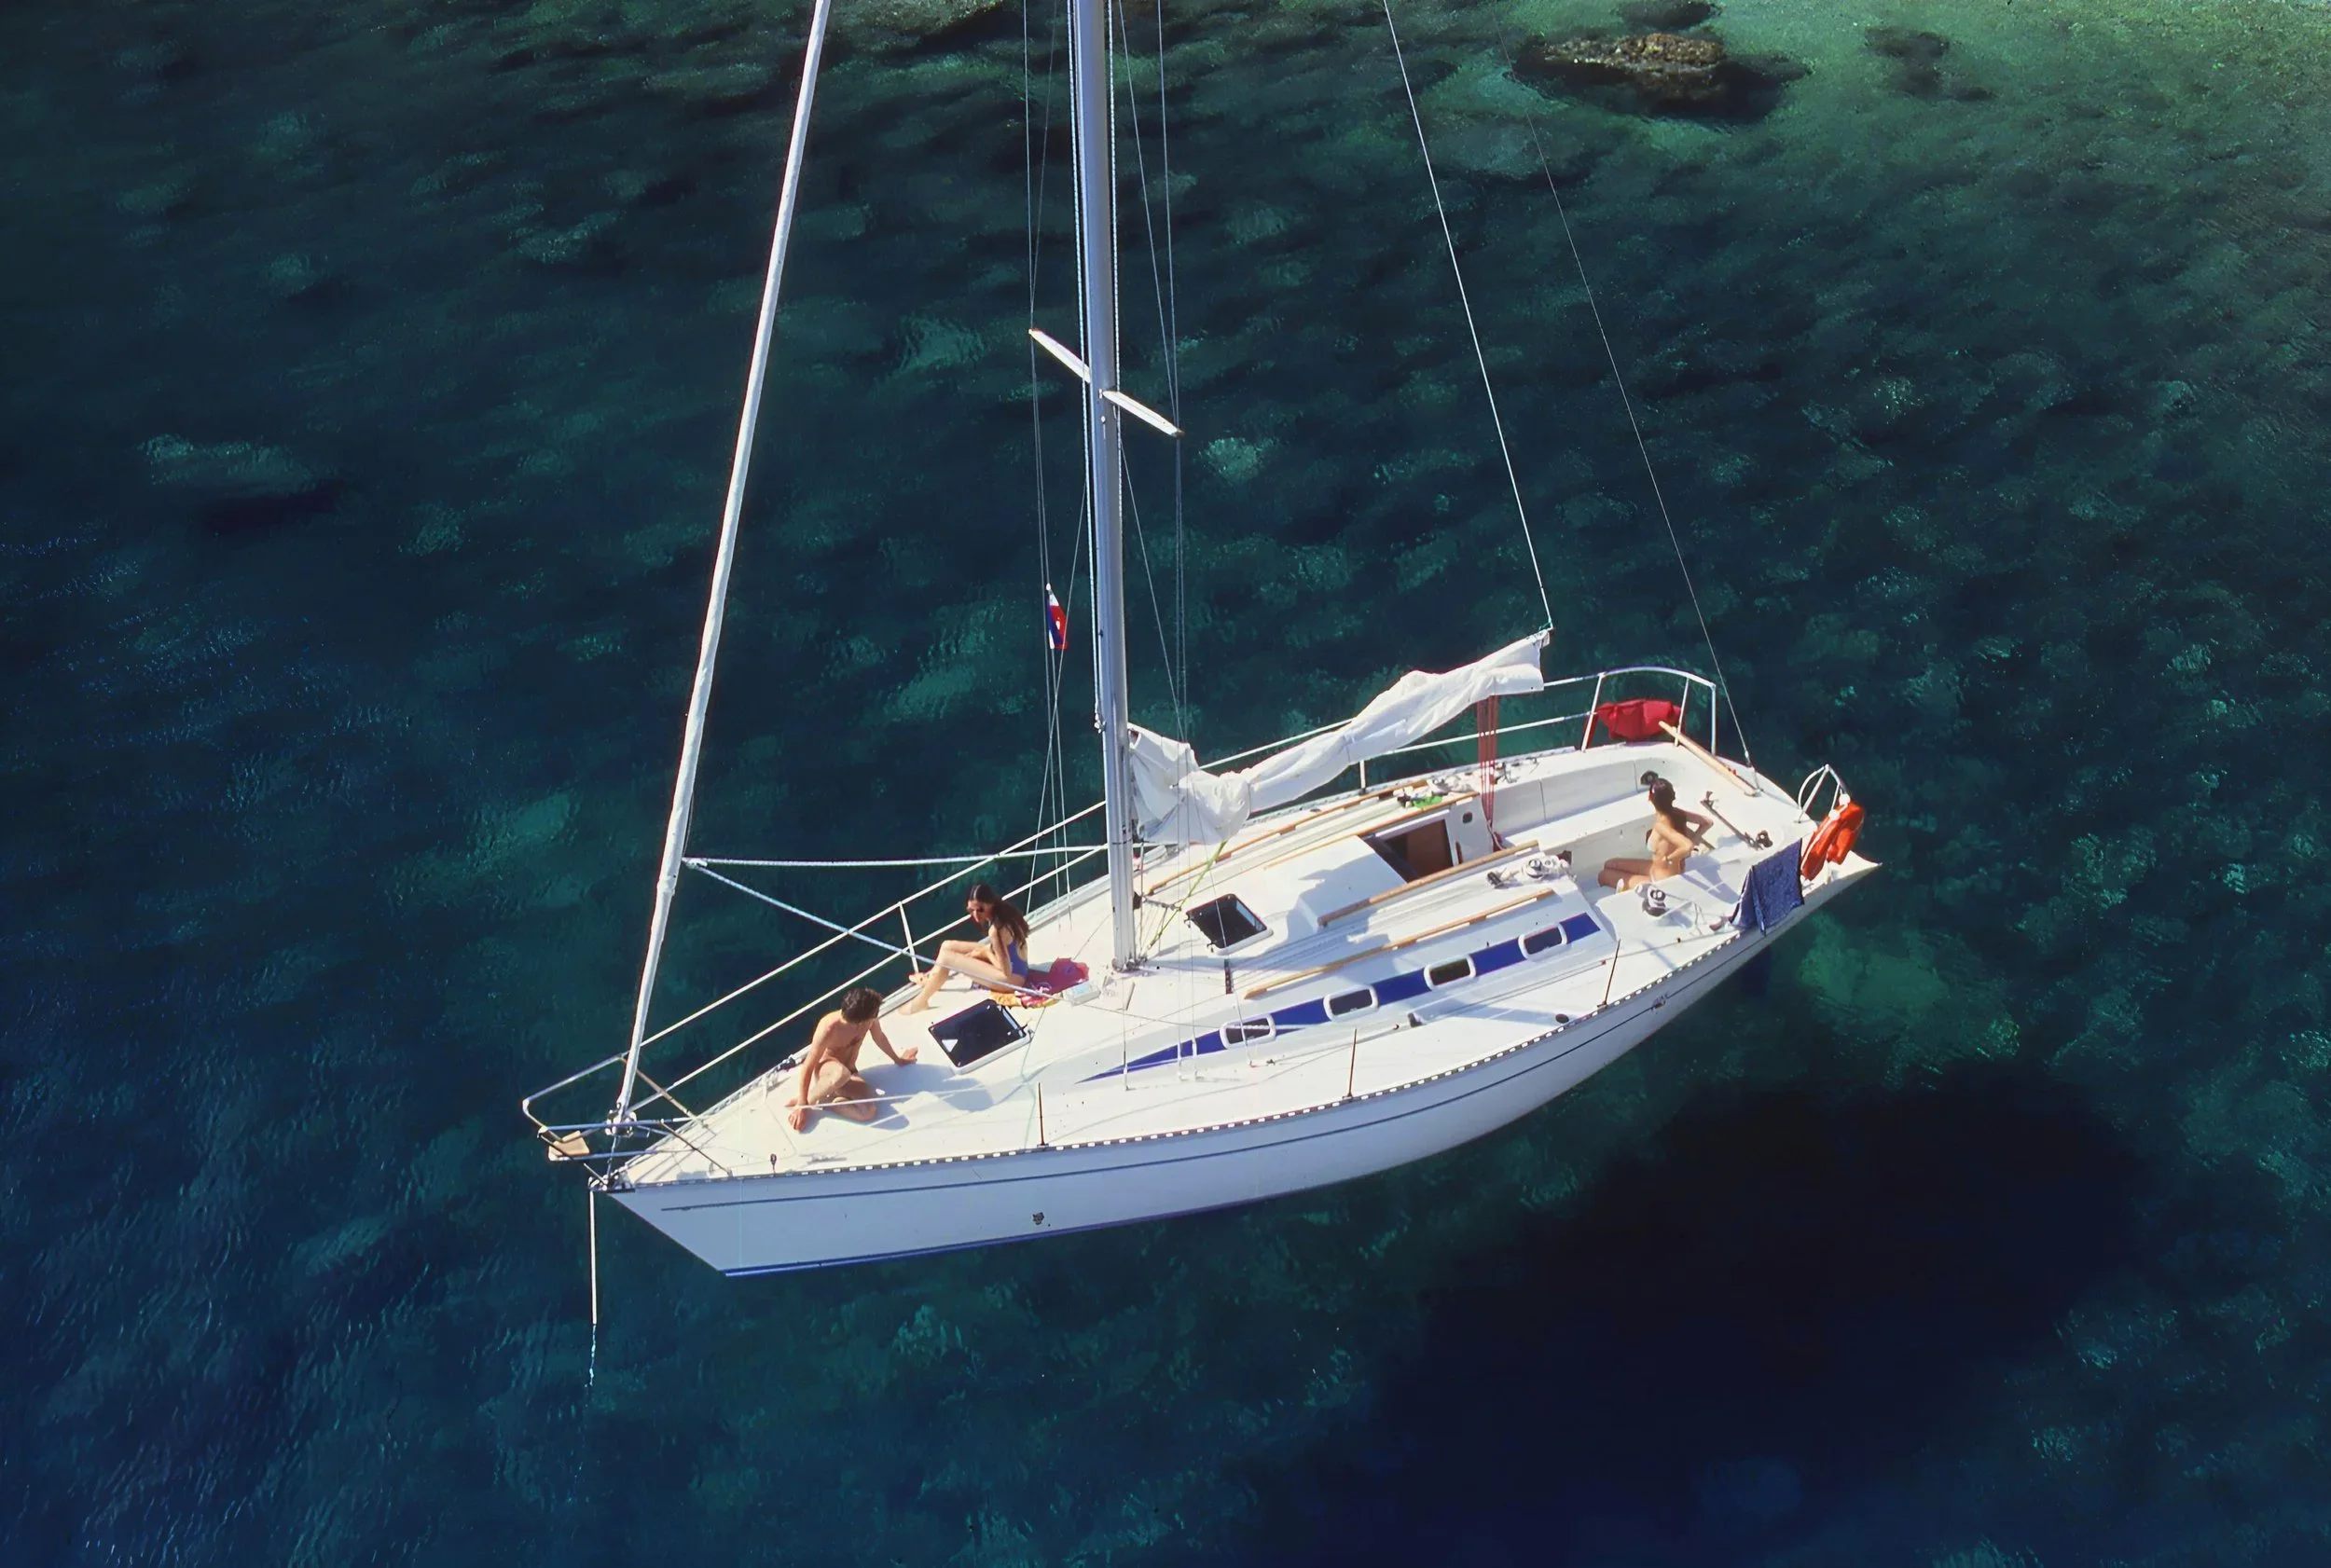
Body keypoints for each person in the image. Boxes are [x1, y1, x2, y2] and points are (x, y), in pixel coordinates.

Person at [782, 986, 917, 1132]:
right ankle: (807, 1102)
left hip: (850, 1072)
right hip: (827, 1069)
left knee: (868, 1111)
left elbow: (880, 1038)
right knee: (841, 1073)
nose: (875, 1016)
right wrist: (802, 1103)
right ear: (860, 1020)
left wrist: (898, 1059)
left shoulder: (869, 1019)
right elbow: (808, 1065)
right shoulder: (829, 1027)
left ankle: (829, 1101)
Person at [905, 882, 1034, 1013]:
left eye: (980, 910)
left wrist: (985, 953)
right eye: (971, 910)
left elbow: (1005, 972)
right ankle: (932, 978)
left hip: (1012, 980)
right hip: (1018, 967)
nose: (976, 915)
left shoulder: (996, 930)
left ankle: (920, 1002)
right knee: (947, 946)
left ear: (991, 904)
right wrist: (985, 952)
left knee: (947, 959)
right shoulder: (1005, 911)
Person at [1598, 776, 1714, 891]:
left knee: (1603, 876)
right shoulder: (1677, 813)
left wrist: (1671, 858)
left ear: (1650, 798)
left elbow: (1687, 845)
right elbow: (1707, 822)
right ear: (1671, 797)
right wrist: (1687, 846)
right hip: (1656, 867)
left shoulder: (1661, 826)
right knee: (1610, 864)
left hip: (1661, 880)